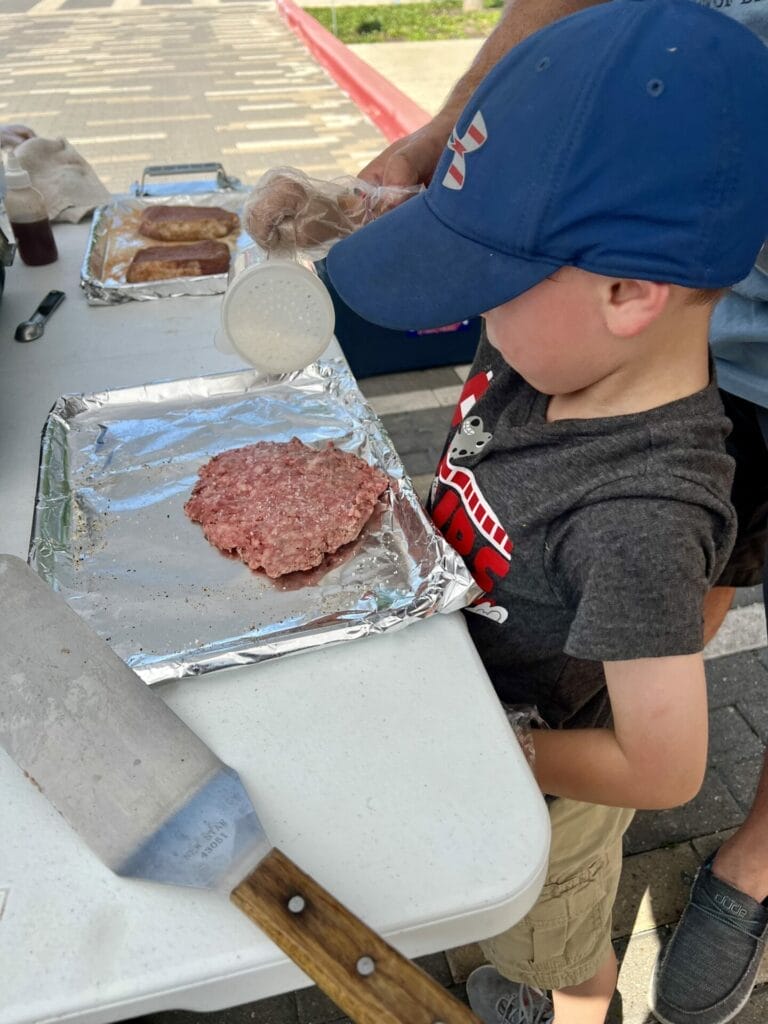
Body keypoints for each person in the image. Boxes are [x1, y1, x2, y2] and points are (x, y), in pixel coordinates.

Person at [319, 2, 768, 1021]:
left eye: (494, 280)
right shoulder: (552, 349)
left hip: (548, 792)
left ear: (629, 291)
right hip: (487, 682)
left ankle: (567, 1002)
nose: (476, 307)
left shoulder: (642, 515)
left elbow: (664, 765)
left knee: (555, 943)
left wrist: (491, 752)